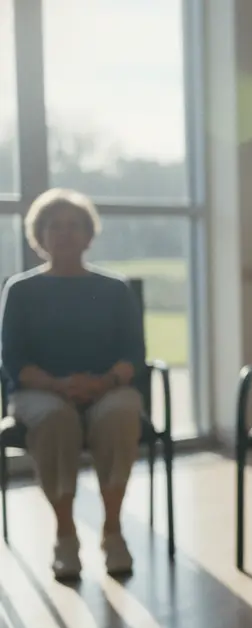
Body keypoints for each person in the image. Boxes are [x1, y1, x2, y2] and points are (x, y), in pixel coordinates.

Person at [0, 188, 147, 581]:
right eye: (55, 227)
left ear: (88, 235)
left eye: (73, 226)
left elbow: (134, 354)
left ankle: (113, 531)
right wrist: (59, 385)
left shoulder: (115, 289)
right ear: (39, 235)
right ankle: (65, 534)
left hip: (108, 389)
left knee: (120, 413)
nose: (64, 234)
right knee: (55, 420)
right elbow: (12, 360)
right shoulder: (20, 290)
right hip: (39, 392)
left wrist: (102, 383)